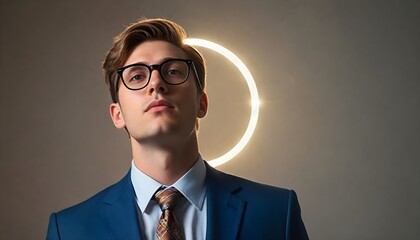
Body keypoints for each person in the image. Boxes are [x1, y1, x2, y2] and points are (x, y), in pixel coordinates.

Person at [46, 18, 309, 240]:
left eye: (172, 71)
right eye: (137, 76)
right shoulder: (69, 229)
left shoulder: (276, 212)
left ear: (201, 103)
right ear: (118, 115)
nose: (156, 83)